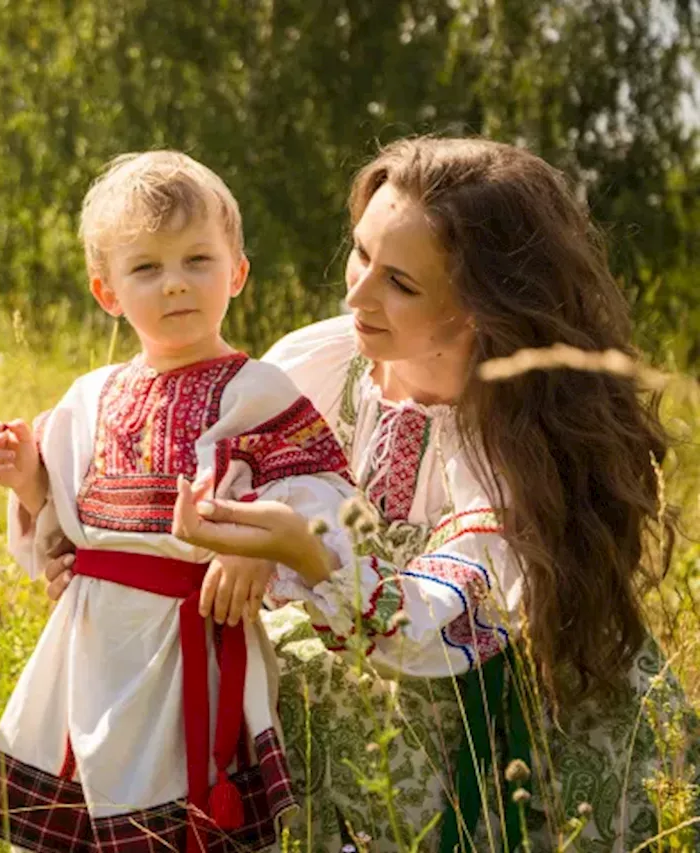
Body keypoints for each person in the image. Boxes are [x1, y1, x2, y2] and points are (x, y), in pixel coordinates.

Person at [146, 136, 699, 850]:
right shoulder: (312, 363)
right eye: (360, 252)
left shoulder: (514, 447)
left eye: (400, 283)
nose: (355, 293)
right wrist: (240, 541)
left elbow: (429, 639)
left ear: (480, 306)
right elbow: (218, 482)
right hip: (348, 705)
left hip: (493, 732)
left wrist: (302, 554)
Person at [0, 151, 357, 853]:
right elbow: (62, 534)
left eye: (197, 260)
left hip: (193, 646)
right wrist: (26, 478)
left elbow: (324, 492)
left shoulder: (258, 392)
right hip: (91, 652)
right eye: (146, 267)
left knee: (186, 816)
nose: (175, 284)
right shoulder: (87, 398)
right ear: (107, 290)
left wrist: (257, 550)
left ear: (235, 272)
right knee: (81, 814)